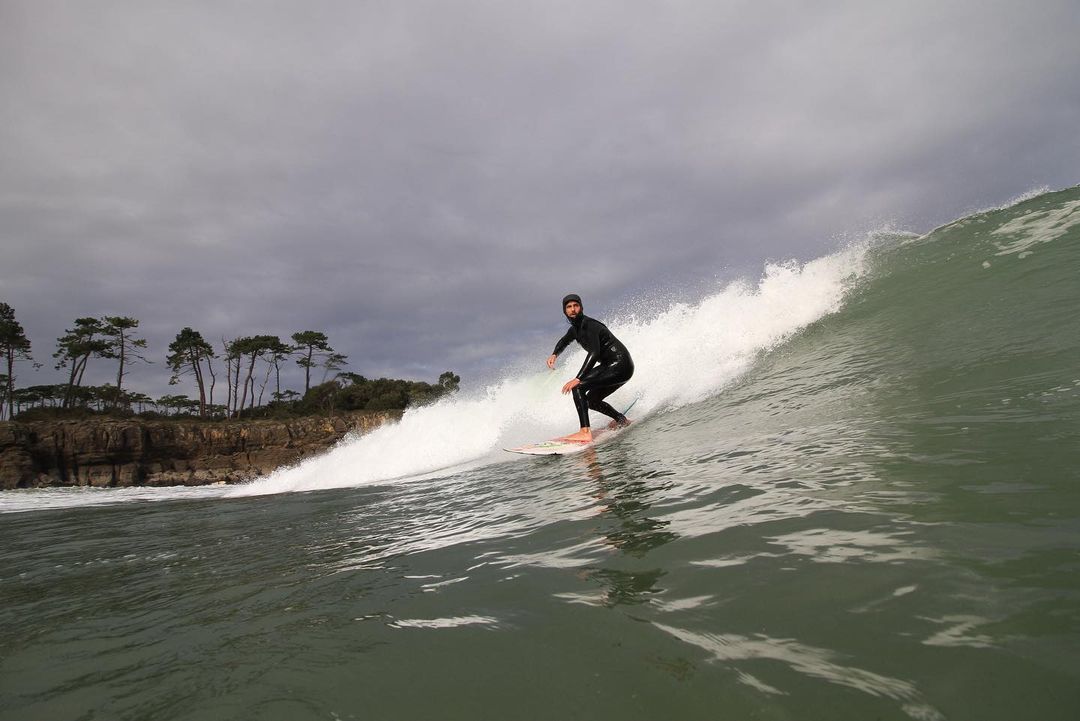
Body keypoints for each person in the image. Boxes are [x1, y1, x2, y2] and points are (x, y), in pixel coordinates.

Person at [546, 293, 634, 442]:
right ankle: (621, 419)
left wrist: (578, 378)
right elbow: (564, 341)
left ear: (581, 307)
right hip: (613, 366)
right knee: (591, 400)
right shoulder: (575, 329)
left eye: (576, 305)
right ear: (564, 311)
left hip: (620, 365)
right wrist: (555, 354)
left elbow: (594, 353)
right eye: (569, 307)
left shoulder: (590, 325)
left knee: (578, 387)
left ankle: (585, 432)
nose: (573, 309)